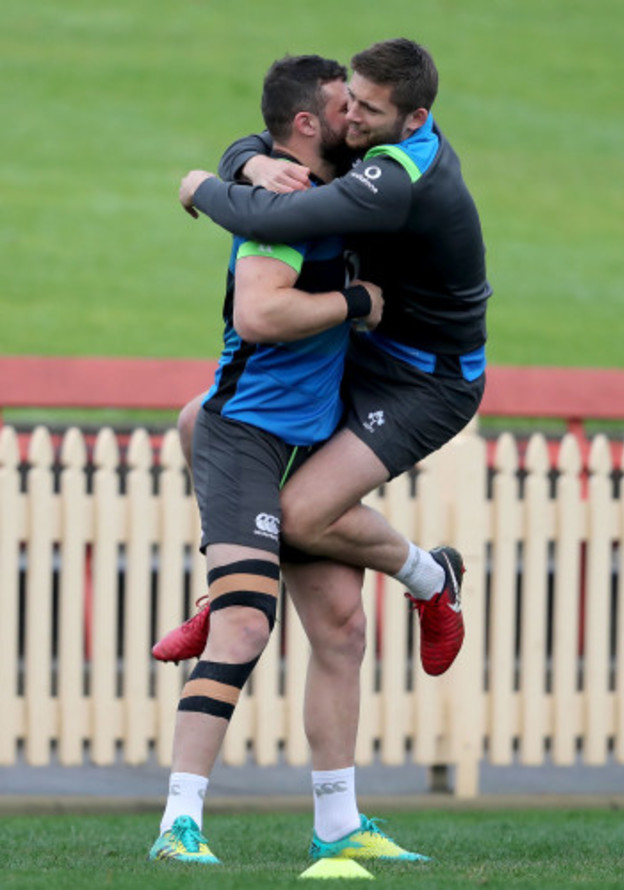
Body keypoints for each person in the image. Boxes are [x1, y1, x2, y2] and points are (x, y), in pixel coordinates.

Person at [148, 53, 427, 866]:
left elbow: (222, 167)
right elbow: (260, 315)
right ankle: (177, 826)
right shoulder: (277, 206)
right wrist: (356, 302)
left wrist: (223, 167)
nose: (356, 116)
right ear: (306, 123)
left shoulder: (328, 185)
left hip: (308, 442)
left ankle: (339, 825)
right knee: (244, 624)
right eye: (343, 107)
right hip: (247, 438)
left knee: (343, 629)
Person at [159, 38, 491, 681]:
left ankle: (432, 577)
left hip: (426, 382)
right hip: (368, 346)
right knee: (199, 420)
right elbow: (271, 137)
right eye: (351, 102)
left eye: (368, 110)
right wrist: (250, 163)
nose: (351, 120)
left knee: (303, 515)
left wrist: (202, 186)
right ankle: (229, 587)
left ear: (415, 119)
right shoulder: (376, 132)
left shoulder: (394, 180)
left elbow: (282, 220)